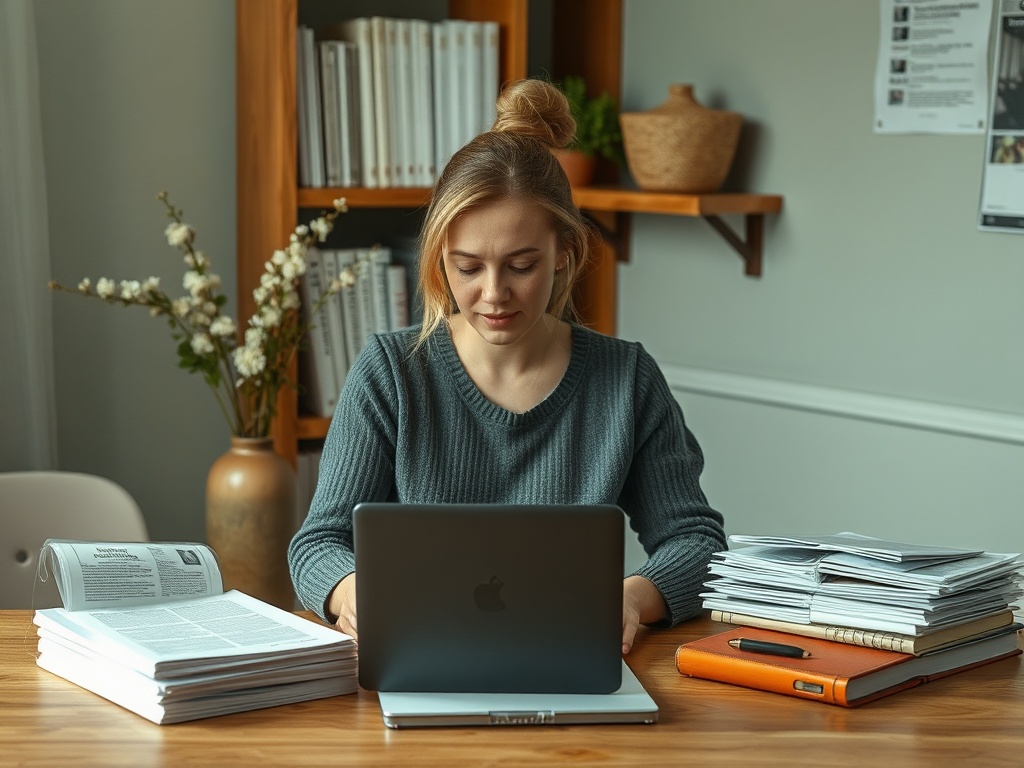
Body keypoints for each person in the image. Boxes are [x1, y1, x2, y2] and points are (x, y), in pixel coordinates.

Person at [288, 78, 726, 655]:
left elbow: (697, 542)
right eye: (468, 267)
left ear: (565, 251)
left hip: (570, 654)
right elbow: (318, 544)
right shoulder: (391, 372)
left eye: (521, 265)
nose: (494, 294)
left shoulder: (626, 379)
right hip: (420, 653)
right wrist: (351, 592)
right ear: (440, 258)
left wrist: (628, 598)